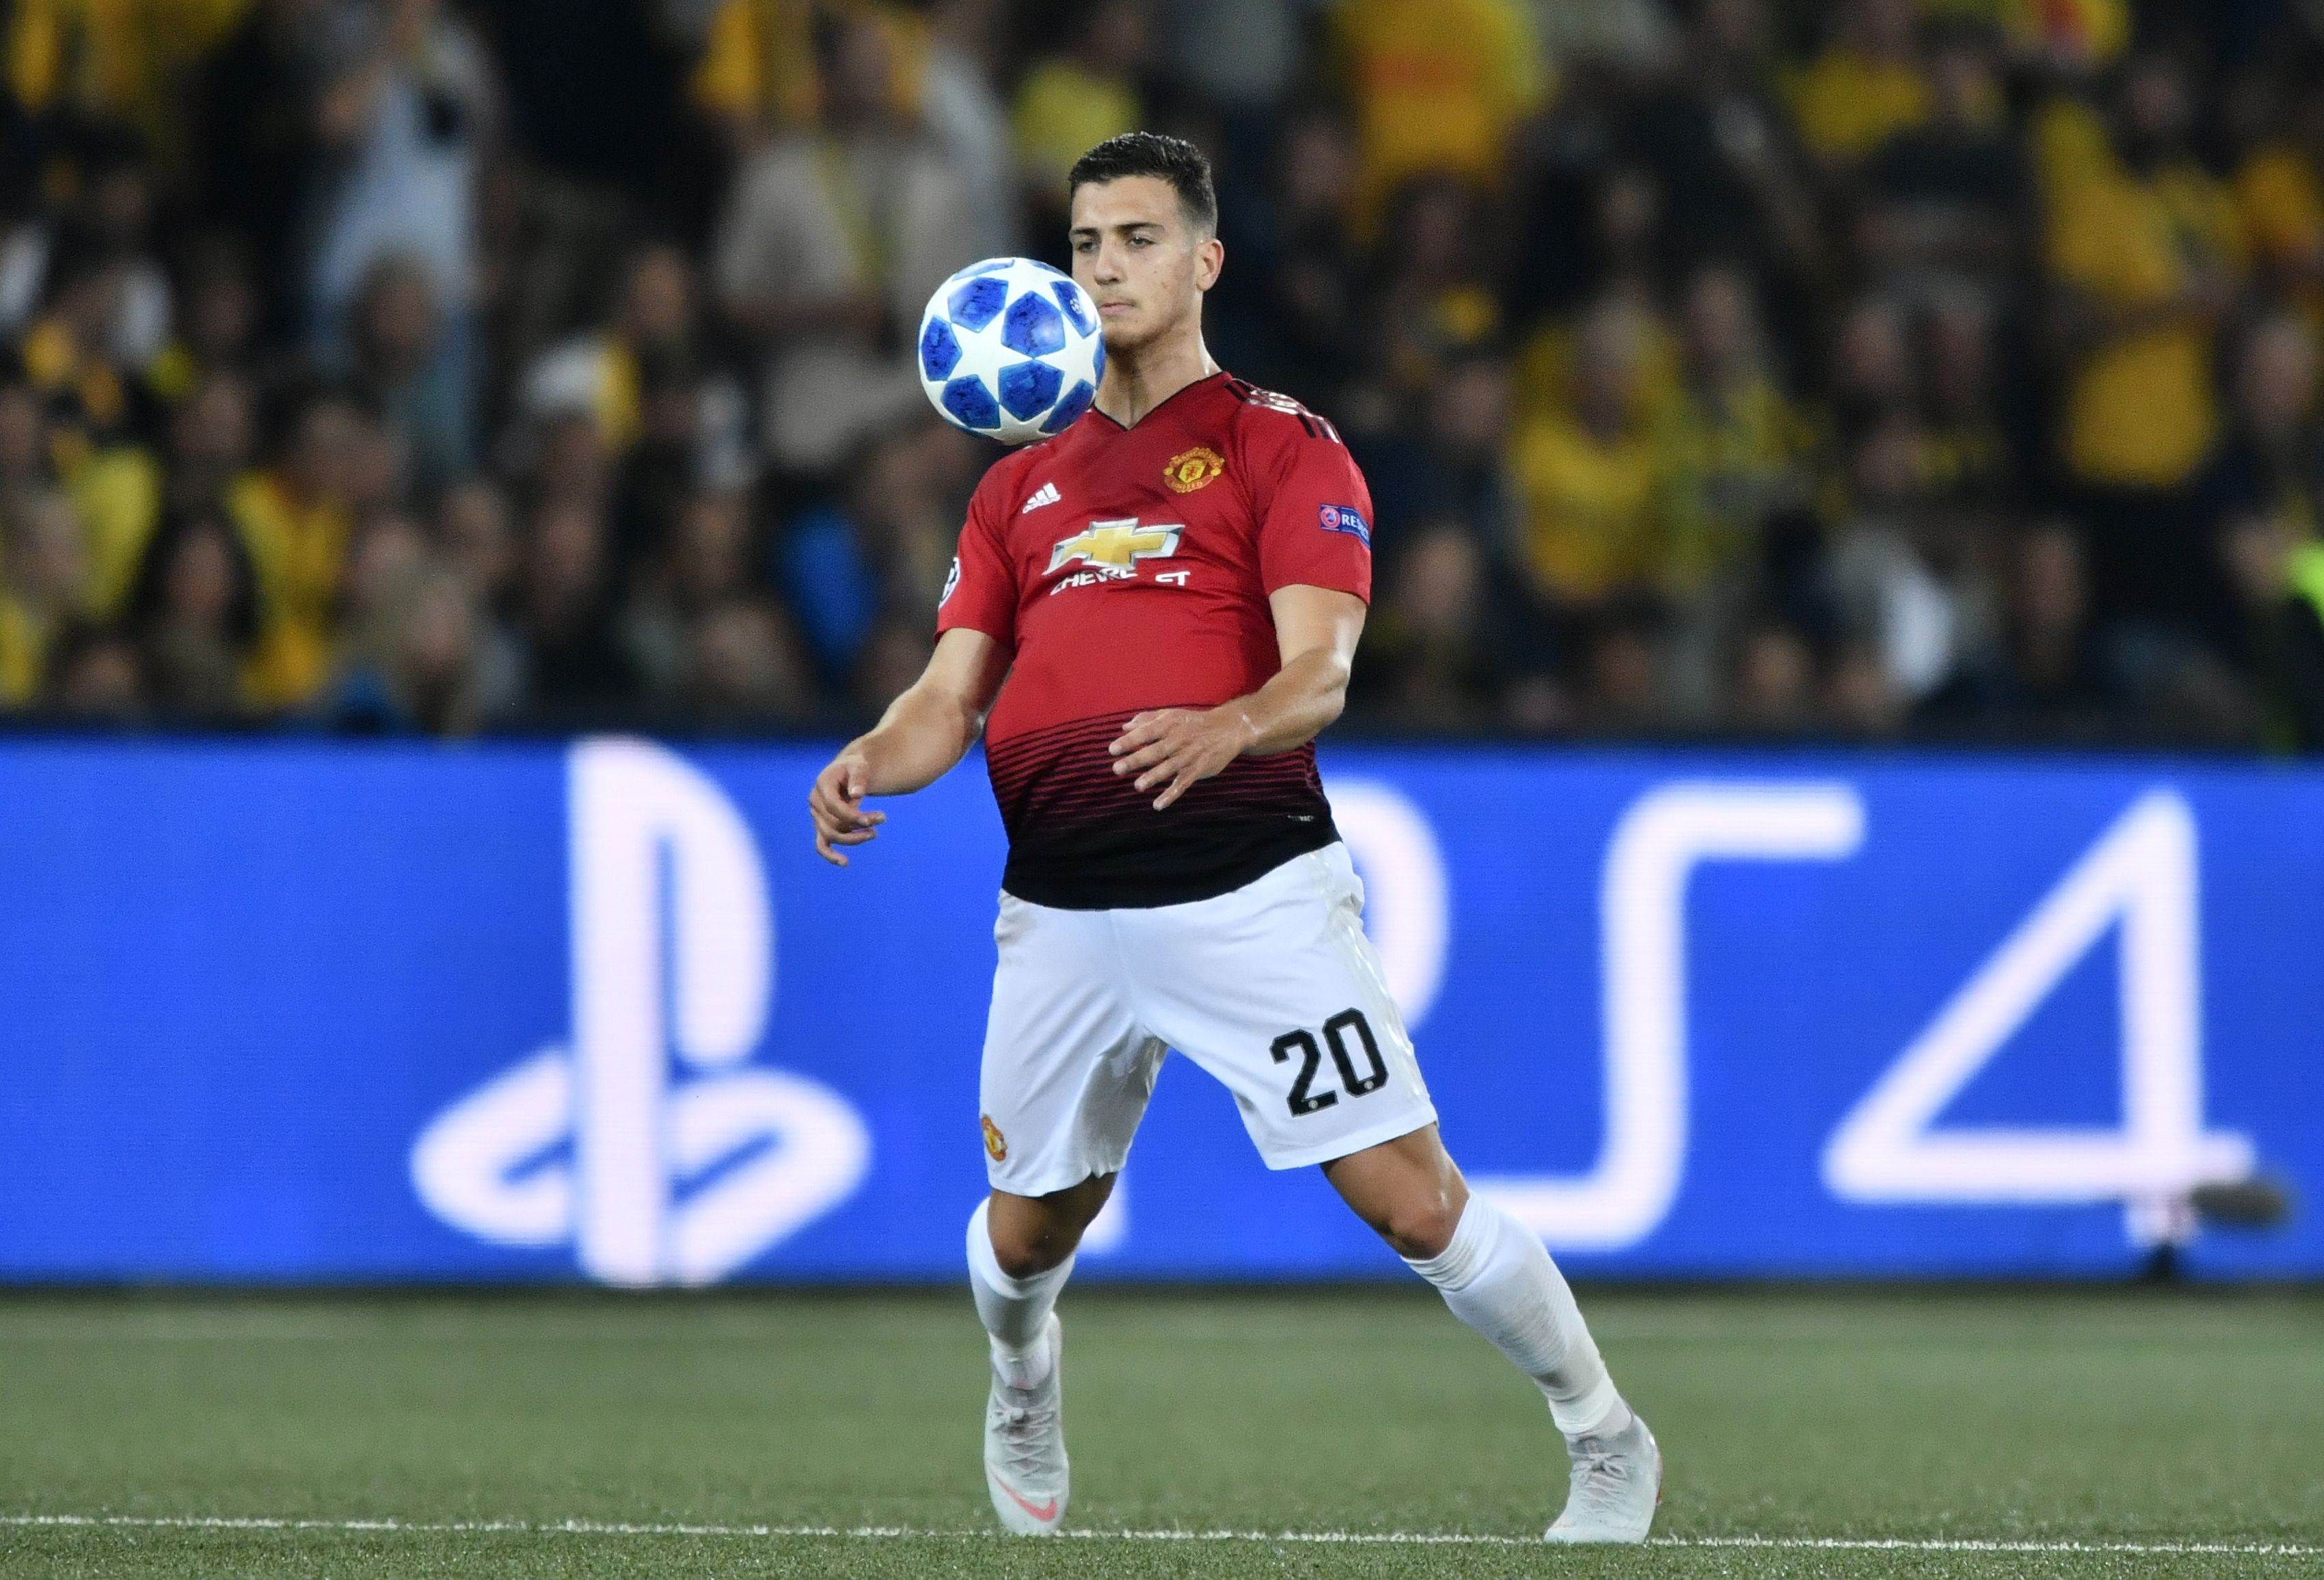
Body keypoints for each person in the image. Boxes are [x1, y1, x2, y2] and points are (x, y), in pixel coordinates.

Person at [805, 132, 1659, 1544]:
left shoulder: (1282, 445)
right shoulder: (1020, 485)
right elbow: (947, 696)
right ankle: (1022, 1377)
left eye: (1136, 239)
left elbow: (1320, 671)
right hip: (1063, 910)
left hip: (1248, 890)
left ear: (1204, 260)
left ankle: (1603, 1433)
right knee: (1025, 1238)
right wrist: (870, 759)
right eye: (1083, 243)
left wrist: (1229, 724)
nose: (1104, 266)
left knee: (1410, 1200)